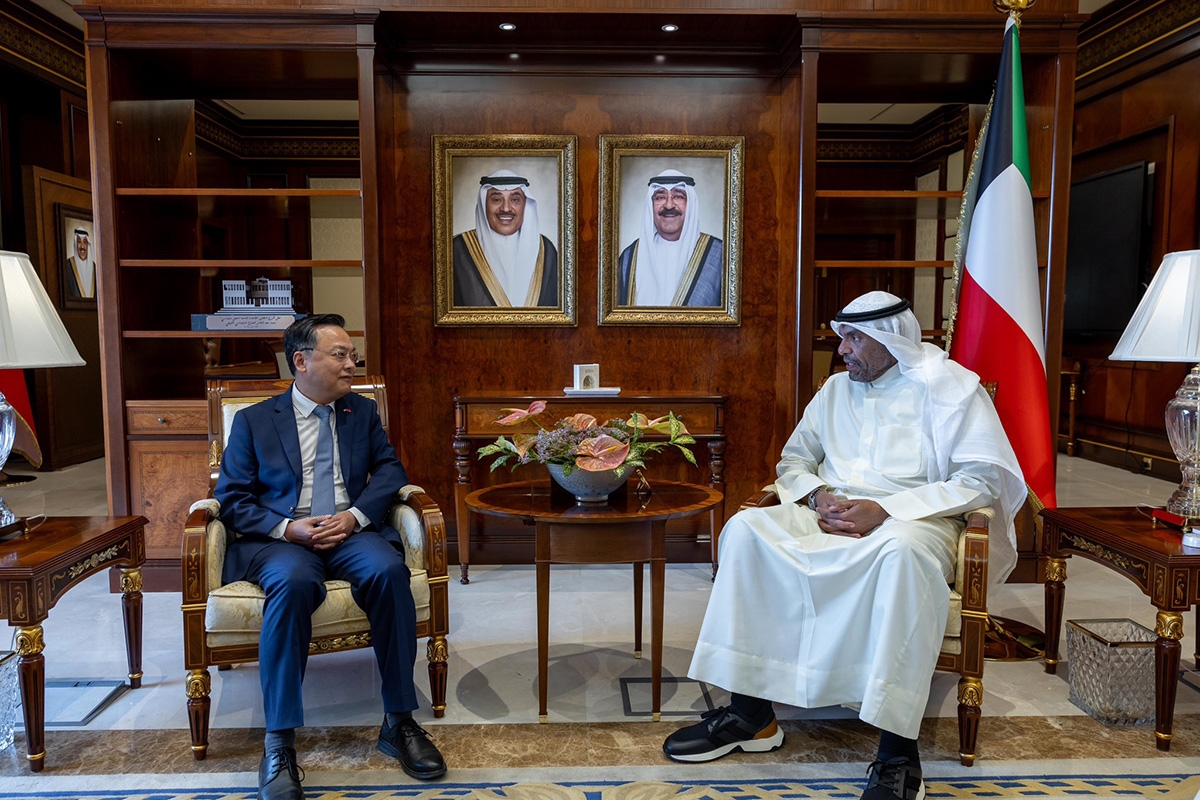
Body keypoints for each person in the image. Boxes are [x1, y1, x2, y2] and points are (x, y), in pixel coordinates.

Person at [662, 291, 1025, 800]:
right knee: (745, 530)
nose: (843, 350)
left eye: (855, 338)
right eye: (843, 337)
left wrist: (887, 509)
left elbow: (981, 481)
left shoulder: (952, 390)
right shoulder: (834, 391)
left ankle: (898, 753)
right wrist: (818, 496)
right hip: (826, 516)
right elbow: (794, 462)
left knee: (903, 555)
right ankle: (750, 715)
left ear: (889, 340)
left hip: (915, 521)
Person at [215, 314, 446, 799]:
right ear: (301, 361)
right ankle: (279, 742)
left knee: (389, 571)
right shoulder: (254, 421)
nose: (351, 364)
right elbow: (232, 499)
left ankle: (399, 721)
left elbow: (390, 471)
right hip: (282, 539)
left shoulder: (360, 412)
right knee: (293, 583)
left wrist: (355, 516)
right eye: (340, 355)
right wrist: (288, 527)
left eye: (352, 356)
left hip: (349, 531)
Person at [452, 169, 559, 307]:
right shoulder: (458, 249)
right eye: (496, 199)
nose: (506, 208)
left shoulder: (546, 250)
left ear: (525, 205)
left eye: (515, 200)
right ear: (484, 204)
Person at [617, 169, 723, 307]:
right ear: (651, 205)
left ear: (690, 204)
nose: (668, 205)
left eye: (678, 196)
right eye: (660, 197)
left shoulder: (719, 256)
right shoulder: (629, 258)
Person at [65, 227, 96, 299]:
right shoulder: (68, 266)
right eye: (79, 242)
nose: (82, 246)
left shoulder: (94, 267)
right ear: (76, 244)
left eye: (85, 242)